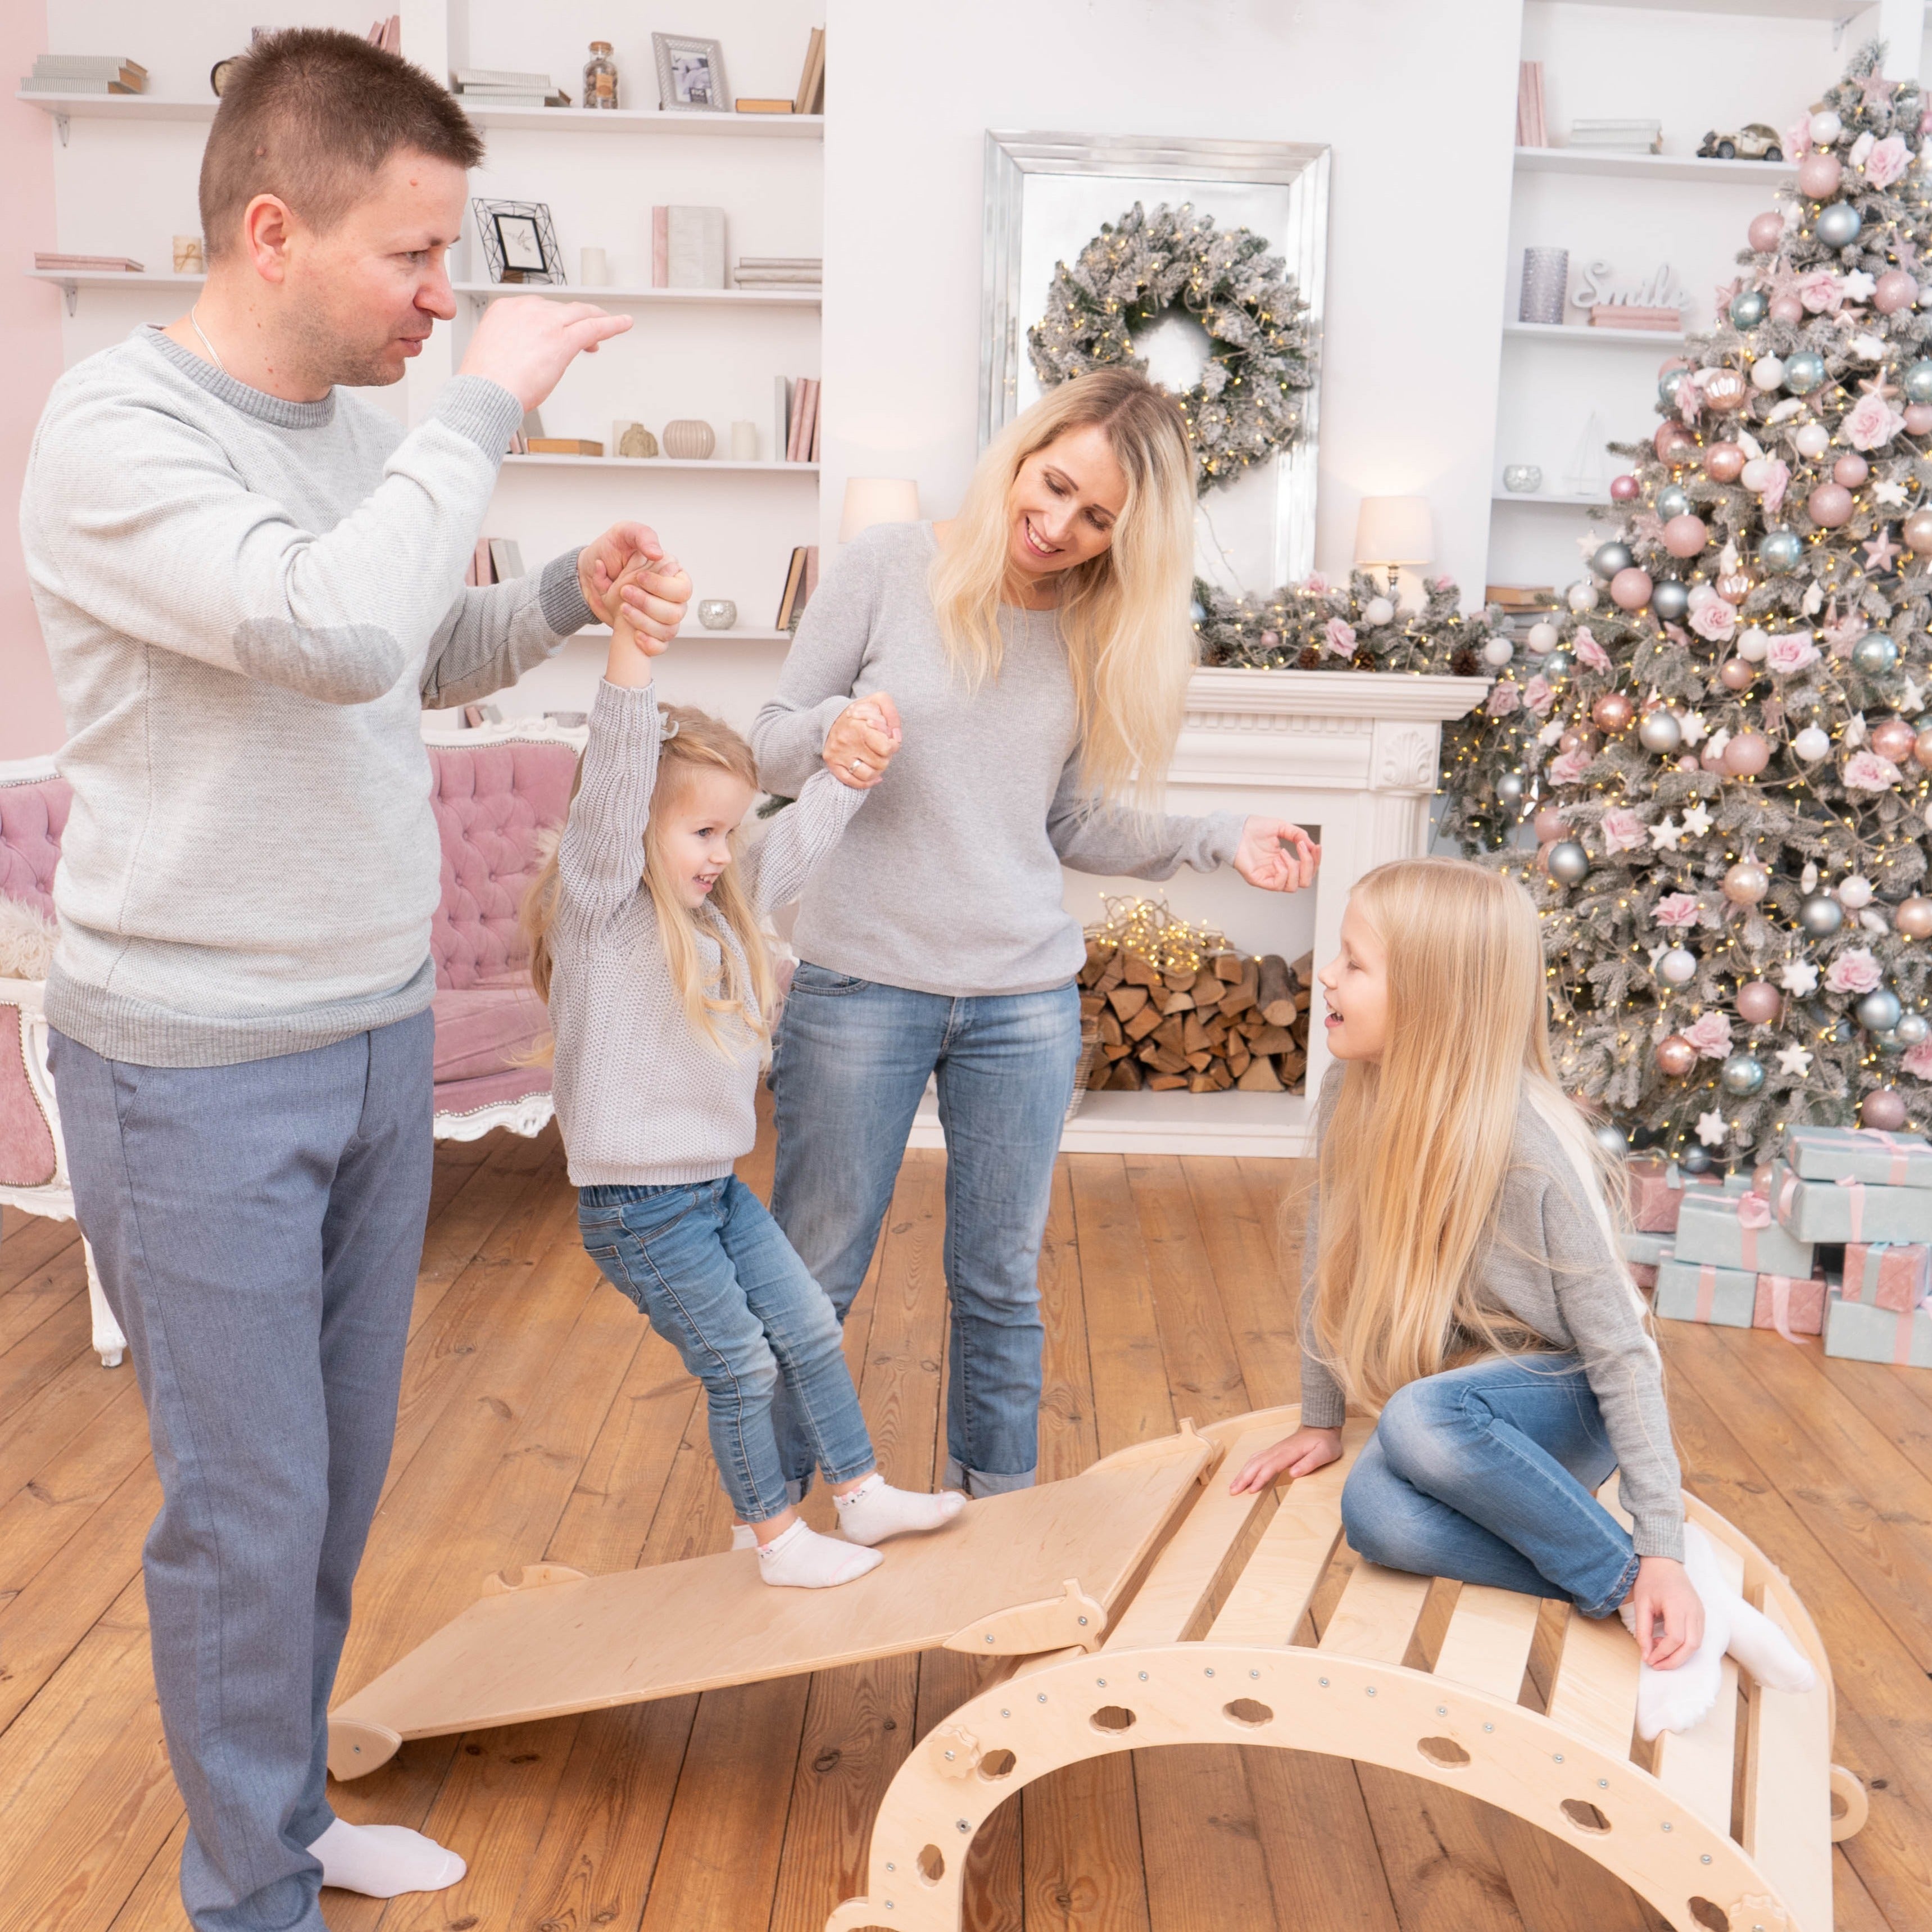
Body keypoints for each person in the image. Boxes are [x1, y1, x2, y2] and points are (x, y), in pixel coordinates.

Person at [19, 29, 689, 1931]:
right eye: (411, 256)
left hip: (373, 1029)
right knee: (243, 1516)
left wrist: (554, 588)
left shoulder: (354, 433)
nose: (438, 296)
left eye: (449, 262)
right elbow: (321, 628)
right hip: (193, 1062)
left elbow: (402, 643)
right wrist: (483, 407)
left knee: (325, 1491)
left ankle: (286, 1811)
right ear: (268, 228)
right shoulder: (114, 433)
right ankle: (246, 1894)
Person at [750, 368, 1320, 1504]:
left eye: (1097, 517)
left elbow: (1069, 823)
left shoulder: (1098, 627)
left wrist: (1219, 833)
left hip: (1022, 1003)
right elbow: (765, 746)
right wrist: (833, 734)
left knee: (1002, 1283)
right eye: (1054, 485)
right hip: (862, 983)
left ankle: (1000, 1524)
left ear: (1128, 536)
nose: (1057, 527)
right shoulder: (885, 565)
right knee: (812, 1276)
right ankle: (767, 1528)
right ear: (1023, 450)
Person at [1226, 858, 1816, 1739]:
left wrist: (1658, 1533)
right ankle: (1664, 1589)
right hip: (1476, 1393)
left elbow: (1622, 1351)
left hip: (1565, 1392)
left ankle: (1656, 1578)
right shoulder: (1353, 1089)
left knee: (1419, 1419)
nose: (1327, 979)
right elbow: (1328, 1255)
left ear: (1429, 995)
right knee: (1374, 1513)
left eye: (1353, 963)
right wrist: (1319, 1419)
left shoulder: (1528, 1149)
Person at [523, 569, 967, 1589]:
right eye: (703, 832)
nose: (724, 852)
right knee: (740, 1362)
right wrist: (632, 649)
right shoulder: (604, 910)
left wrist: (852, 772)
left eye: (729, 830)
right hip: (639, 1207)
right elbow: (616, 776)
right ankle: (774, 1541)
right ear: (634, 825)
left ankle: (859, 1497)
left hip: (713, 1188)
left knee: (808, 1322)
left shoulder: (721, 911)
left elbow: (798, 838)